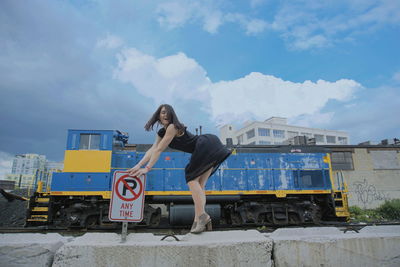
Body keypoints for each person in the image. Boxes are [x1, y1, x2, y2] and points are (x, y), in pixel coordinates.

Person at [128, 104, 231, 234]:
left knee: (191, 178)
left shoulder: (172, 127)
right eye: (162, 112)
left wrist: (147, 168)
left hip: (205, 144)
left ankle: (202, 217)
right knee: (199, 185)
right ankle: (198, 220)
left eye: (167, 112)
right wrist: (138, 166)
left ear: (172, 115)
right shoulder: (161, 133)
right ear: (158, 115)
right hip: (207, 146)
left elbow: (159, 150)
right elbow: (153, 149)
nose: (165, 115)